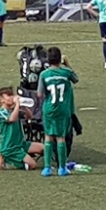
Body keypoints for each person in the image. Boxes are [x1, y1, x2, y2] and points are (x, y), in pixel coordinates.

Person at [38, 46, 78, 177]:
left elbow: (39, 94)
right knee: (61, 138)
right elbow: (76, 79)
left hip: (49, 109)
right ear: (60, 58)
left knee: (48, 137)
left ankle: (47, 168)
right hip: (63, 109)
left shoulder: (44, 74)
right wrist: (67, 64)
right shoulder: (66, 72)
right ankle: (62, 168)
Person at [0, 87, 45, 171]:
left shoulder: (14, 109)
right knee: (33, 165)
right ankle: (5, 160)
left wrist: (24, 107)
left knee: (43, 148)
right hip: (9, 147)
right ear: (2, 100)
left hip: (20, 143)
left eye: (12, 95)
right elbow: (12, 119)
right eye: (8, 95)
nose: (12, 97)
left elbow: (30, 116)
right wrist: (17, 105)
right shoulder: (1, 112)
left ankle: (49, 165)